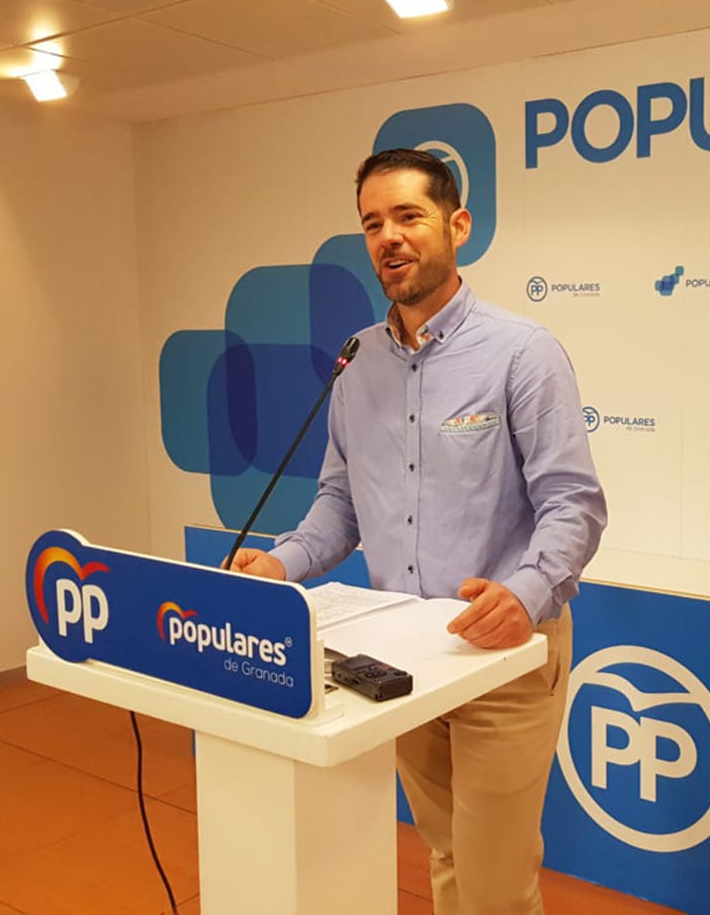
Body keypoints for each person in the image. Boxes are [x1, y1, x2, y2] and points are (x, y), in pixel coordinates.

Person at [228, 147, 607, 914]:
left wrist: (525, 592)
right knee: (446, 854)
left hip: (501, 650)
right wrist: (280, 564)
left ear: (456, 225)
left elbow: (574, 502)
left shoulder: (521, 352)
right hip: (399, 655)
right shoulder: (356, 360)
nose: (388, 237)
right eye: (373, 223)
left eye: (408, 216)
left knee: (496, 880)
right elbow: (339, 502)